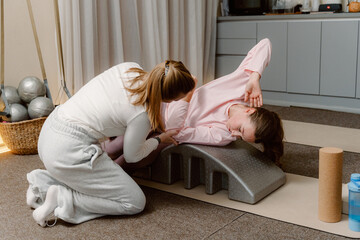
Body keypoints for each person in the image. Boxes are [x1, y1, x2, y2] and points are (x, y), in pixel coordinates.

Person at [26, 60, 195, 227]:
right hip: (67, 151)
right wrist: (159, 139)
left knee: (91, 177)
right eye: (174, 100)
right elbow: (132, 156)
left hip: (50, 131)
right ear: (167, 98)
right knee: (135, 201)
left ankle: (42, 183)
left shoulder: (130, 67)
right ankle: (63, 198)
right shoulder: (142, 116)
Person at [102, 38, 284, 171]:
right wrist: (254, 76)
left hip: (166, 129)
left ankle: (105, 176)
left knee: (131, 158)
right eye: (240, 129)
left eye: (240, 137)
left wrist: (188, 97)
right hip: (161, 106)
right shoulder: (242, 88)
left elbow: (175, 130)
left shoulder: (222, 135)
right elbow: (265, 43)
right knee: (113, 147)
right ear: (249, 110)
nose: (234, 134)